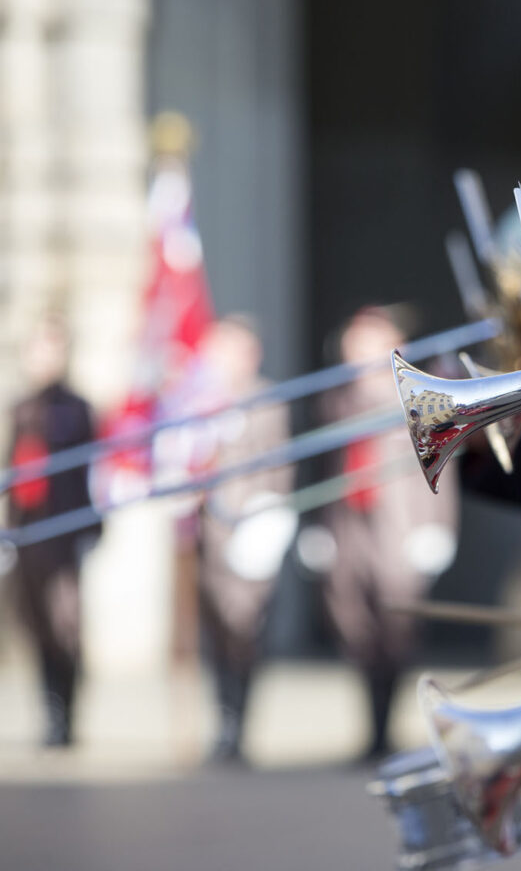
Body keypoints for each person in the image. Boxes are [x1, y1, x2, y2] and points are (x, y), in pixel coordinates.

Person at [318, 306, 459, 761]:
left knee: (395, 624)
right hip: (349, 522)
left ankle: (385, 729)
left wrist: (438, 526)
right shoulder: (338, 398)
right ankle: (370, 726)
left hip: (400, 524)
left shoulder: (418, 394)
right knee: (352, 620)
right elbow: (327, 465)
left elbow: (441, 466)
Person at [192, 315, 294, 764]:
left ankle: (239, 724)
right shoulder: (200, 402)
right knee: (211, 634)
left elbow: (279, 466)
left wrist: (269, 516)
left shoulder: (266, 401)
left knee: (243, 630)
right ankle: (223, 723)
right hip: (206, 533)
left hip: (248, 530)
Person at [4, 316, 98, 747]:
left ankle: (69, 715)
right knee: (38, 625)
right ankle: (50, 717)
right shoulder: (20, 407)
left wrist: (92, 527)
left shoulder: (75, 408)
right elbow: (11, 472)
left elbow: (89, 473)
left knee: (66, 626)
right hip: (29, 532)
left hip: (64, 532)